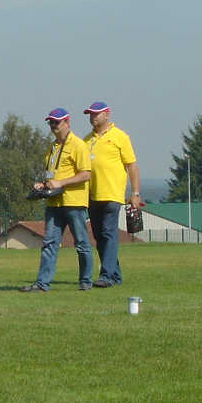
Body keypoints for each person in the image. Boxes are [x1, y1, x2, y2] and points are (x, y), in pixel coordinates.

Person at [20, 108, 93, 292]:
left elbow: (85, 174)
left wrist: (61, 182)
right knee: (49, 243)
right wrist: (43, 185)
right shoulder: (51, 148)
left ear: (67, 123)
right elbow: (52, 175)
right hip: (54, 202)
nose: (53, 126)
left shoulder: (78, 145)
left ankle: (85, 281)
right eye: (50, 122)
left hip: (73, 202)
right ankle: (42, 284)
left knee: (82, 243)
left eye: (56, 122)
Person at [83, 101, 141, 288]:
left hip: (112, 195)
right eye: (90, 115)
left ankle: (106, 276)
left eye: (96, 114)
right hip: (92, 196)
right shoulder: (86, 140)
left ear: (107, 114)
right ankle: (114, 275)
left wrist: (135, 193)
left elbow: (131, 165)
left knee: (108, 234)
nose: (93, 117)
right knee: (100, 237)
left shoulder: (120, 137)